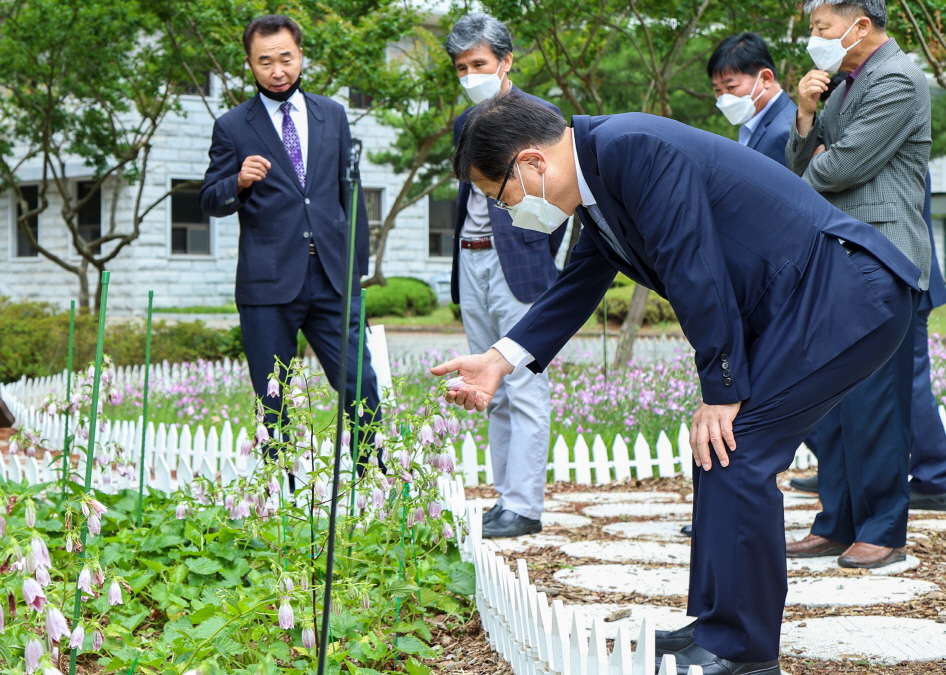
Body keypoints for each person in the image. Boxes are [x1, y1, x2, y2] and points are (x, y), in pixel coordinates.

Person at [431, 92, 918, 674]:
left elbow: (694, 266)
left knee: (739, 449)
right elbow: (580, 281)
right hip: (802, 303)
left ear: (532, 163)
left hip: (845, 294)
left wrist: (721, 388)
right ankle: (716, 625)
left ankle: (745, 651)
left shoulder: (632, 149)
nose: (509, 211)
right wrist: (500, 359)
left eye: (501, 196)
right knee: (719, 450)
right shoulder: (599, 173)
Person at [785, 0, 932, 567]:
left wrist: (804, 168)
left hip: (886, 252)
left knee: (879, 399)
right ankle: (836, 521)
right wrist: (804, 115)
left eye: (822, 27)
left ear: (860, 25)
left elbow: (842, 167)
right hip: (842, 253)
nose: (815, 39)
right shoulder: (845, 85)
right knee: (835, 399)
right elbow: (807, 155)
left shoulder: (899, 79)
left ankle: (884, 529)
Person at [200, 15, 381, 469]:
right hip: (268, 283)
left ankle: (372, 480)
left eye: (286, 58)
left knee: (361, 383)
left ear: (300, 56)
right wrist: (237, 182)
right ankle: (281, 492)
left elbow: (350, 195)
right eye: (265, 62)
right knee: (273, 396)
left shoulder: (332, 114)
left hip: (334, 279)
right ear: (250, 65)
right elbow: (209, 199)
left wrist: (356, 271)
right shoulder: (232, 127)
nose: (277, 70)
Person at [675, 32, 805, 540]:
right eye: (717, 88)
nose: (722, 97)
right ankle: (717, 513)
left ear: (764, 79)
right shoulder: (752, 128)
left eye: (730, 85)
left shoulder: (783, 129)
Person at [444, 13, 566, 538]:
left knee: (525, 387)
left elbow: (561, 199)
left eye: (479, 64)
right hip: (470, 260)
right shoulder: (463, 123)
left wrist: (541, 255)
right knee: (484, 381)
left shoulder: (540, 115)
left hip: (519, 264)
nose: (470, 74)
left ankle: (525, 505)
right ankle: (503, 498)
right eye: (461, 67)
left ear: (505, 61)